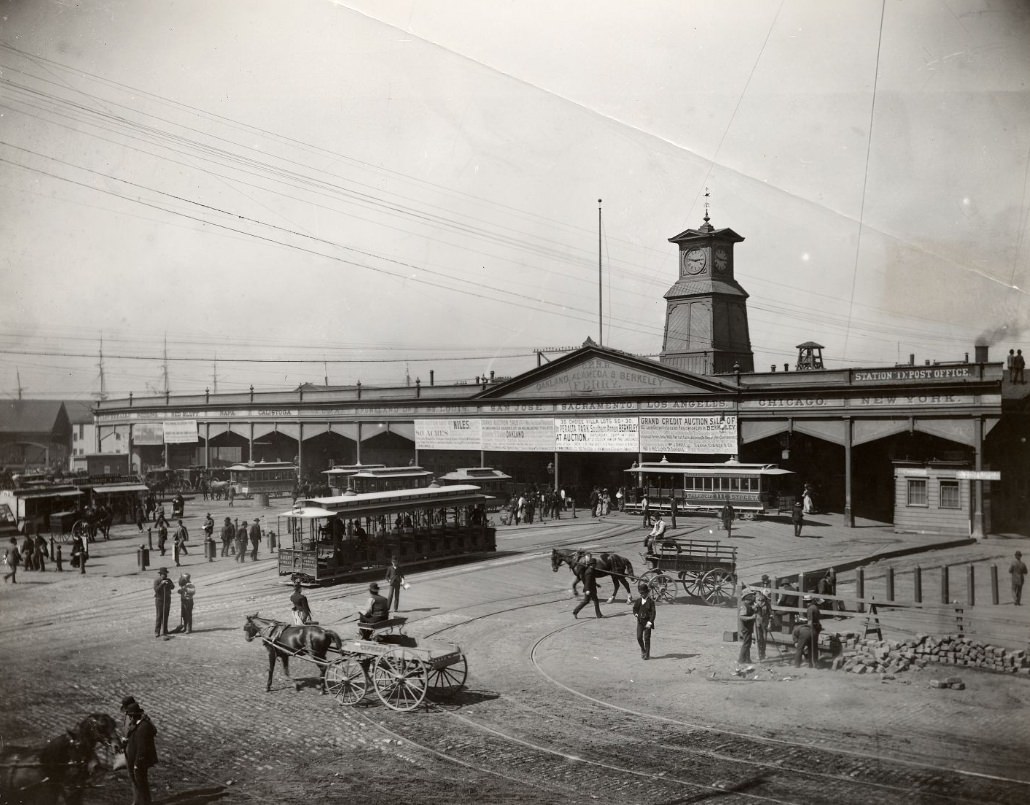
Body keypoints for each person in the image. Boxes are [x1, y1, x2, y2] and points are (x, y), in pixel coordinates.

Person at [124, 700, 158, 805]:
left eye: (131, 716)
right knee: (140, 782)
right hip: (135, 759)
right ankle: (143, 802)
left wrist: (137, 764)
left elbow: (142, 748)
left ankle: (145, 802)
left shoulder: (143, 727)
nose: (130, 718)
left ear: (134, 716)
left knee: (141, 783)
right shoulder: (138, 725)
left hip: (139, 761)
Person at [632, 581, 656, 660]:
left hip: (647, 622)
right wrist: (636, 614)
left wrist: (650, 622)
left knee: (647, 638)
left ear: (647, 593)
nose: (642, 595)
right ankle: (643, 648)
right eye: (641, 593)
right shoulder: (638, 601)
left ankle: (647, 654)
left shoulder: (651, 602)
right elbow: (634, 609)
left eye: (643, 593)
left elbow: (653, 613)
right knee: (639, 637)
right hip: (640, 622)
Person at [737, 590, 757, 664]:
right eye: (751, 597)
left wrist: (753, 609)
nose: (752, 598)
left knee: (748, 643)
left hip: (749, 627)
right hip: (745, 628)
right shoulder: (744, 606)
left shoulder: (748, 605)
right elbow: (742, 617)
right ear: (747, 598)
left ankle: (748, 659)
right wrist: (752, 617)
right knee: (746, 644)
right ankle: (741, 660)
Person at [154, 567, 174, 638]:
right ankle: (157, 631)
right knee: (159, 615)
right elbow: (156, 590)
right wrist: (161, 584)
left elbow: (173, 587)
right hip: (159, 600)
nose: (165, 575)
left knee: (166, 615)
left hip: (167, 600)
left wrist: (168, 584)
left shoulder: (168, 580)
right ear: (161, 574)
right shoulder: (157, 581)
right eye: (164, 574)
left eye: (166, 574)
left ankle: (165, 630)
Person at [803, 594, 822, 666]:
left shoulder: (810, 609)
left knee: (811, 645)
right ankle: (815, 661)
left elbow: (810, 621)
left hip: (812, 628)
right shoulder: (815, 607)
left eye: (806, 602)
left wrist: (808, 630)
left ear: (808, 601)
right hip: (817, 626)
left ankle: (812, 662)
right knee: (814, 645)